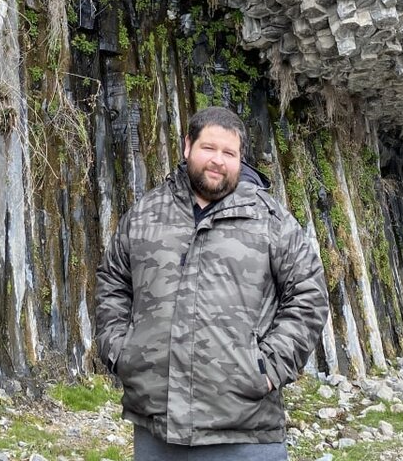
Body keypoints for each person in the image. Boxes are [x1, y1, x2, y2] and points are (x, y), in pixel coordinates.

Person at [95, 106, 329, 460]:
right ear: (188, 146)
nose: (218, 160)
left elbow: (309, 295)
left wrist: (266, 369)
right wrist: (120, 352)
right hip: (157, 427)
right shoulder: (145, 214)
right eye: (209, 148)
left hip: (245, 429)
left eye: (229, 153)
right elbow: (113, 280)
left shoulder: (271, 220)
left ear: (240, 159)